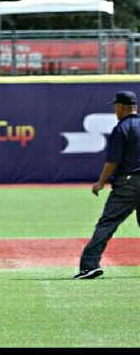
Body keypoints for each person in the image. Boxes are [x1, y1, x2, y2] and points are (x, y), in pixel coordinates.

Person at [75, 90, 140, 280]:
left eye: (116, 107)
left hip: (128, 184)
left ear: (121, 107)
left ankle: (89, 266)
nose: (115, 110)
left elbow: (113, 161)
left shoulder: (122, 128)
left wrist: (100, 182)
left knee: (107, 223)